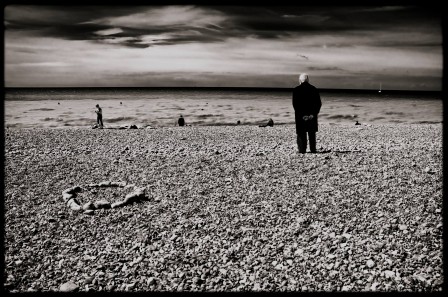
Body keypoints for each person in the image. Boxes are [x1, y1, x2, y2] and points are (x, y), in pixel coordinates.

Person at [292, 73, 322, 153]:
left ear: (300, 80)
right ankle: (313, 149)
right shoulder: (314, 89)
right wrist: (313, 114)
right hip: (312, 115)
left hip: (301, 116)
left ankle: (302, 149)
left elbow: (296, 105)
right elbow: (318, 104)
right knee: (311, 133)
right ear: (308, 80)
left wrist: (302, 115)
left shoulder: (296, 90)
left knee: (301, 133)